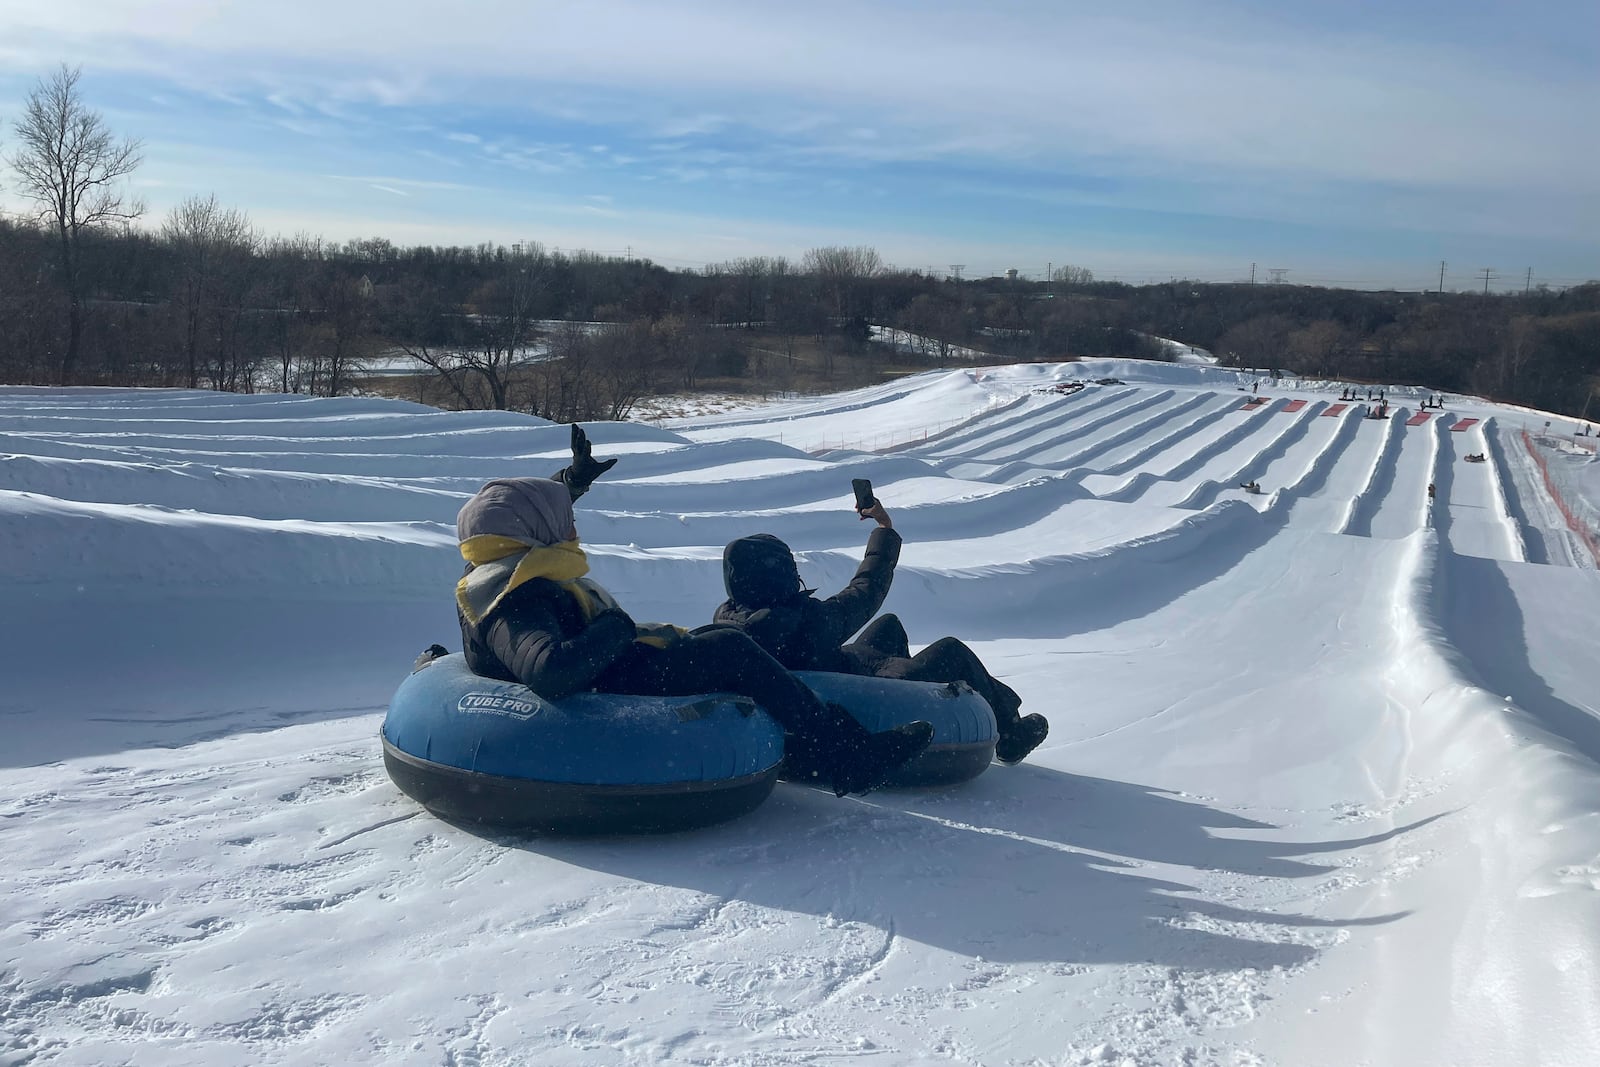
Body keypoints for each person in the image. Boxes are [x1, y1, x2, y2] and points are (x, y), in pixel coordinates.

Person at [453, 426, 932, 797]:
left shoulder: (505, 569)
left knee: (713, 637)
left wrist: (570, 483)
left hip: (613, 665)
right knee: (730, 648)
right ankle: (848, 757)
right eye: (560, 518)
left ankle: (811, 748)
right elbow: (551, 669)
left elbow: (514, 515)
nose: (569, 527)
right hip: (616, 678)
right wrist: (616, 626)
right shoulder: (514, 596)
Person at [712, 495, 1049, 765]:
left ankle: (915, 697)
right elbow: (867, 588)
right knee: (951, 650)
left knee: (888, 626)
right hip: (861, 687)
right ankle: (1010, 733)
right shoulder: (809, 622)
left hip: (837, 671)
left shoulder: (729, 619)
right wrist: (885, 528)